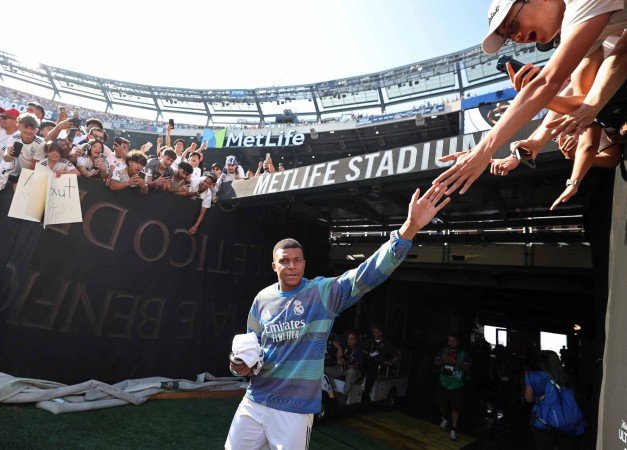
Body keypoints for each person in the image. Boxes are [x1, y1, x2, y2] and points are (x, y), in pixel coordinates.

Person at [225, 185, 451, 450]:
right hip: (255, 399)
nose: (291, 266)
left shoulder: (322, 293)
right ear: (274, 265)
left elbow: (368, 274)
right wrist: (238, 364)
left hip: (294, 410)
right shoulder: (262, 299)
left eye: (297, 260)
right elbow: (252, 349)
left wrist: (409, 227)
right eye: (284, 261)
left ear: (305, 263)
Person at [435, 0, 627, 195]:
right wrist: (538, 139)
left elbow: (548, 83)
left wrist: (482, 152)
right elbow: (582, 99)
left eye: (512, 25)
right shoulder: (581, 27)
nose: (517, 36)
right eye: (509, 36)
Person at [524, 350, 583, 449]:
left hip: (542, 421)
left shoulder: (533, 376)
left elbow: (529, 399)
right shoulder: (565, 375)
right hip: (564, 420)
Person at [434, 334, 472, 442]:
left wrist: (454, 362)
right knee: (440, 403)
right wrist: (444, 360)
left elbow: (468, 368)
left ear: (458, 342)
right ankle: (446, 417)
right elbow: (435, 362)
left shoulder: (464, 355)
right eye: (449, 341)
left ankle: (453, 430)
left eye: (453, 341)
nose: (451, 343)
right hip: (443, 382)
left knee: (456, 408)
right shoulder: (442, 351)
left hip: (457, 384)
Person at [324, 331, 364, 398]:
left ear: (356, 340)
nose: (349, 341)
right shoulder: (346, 347)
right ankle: (334, 391)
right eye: (348, 339)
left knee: (351, 371)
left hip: (353, 370)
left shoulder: (359, 351)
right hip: (343, 368)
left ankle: (344, 395)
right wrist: (339, 348)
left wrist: (345, 364)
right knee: (325, 371)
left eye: (351, 339)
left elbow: (357, 366)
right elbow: (333, 340)